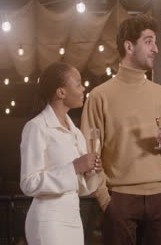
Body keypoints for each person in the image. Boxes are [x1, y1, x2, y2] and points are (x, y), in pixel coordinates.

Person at [81, 15, 161, 245]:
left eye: (156, 42)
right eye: (148, 41)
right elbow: (89, 154)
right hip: (119, 199)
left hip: (159, 198)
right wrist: (105, 200)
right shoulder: (100, 96)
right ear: (129, 46)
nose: (156, 49)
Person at [20, 62, 103, 245]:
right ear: (61, 92)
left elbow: (81, 188)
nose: (83, 89)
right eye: (78, 84)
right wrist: (74, 167)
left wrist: (91, 173)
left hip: (73, 218)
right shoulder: (36, 127)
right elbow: (28, 183)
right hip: (48, 221)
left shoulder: (76, 133)